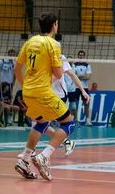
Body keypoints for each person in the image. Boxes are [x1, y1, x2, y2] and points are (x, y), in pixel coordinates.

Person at [13, 12, 76, 182]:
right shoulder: (53, 44)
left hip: (27, 92)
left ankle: (25, 160)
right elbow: (58, 73)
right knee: (69, 124)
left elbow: (17, 69)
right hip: (43, 92)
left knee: (40, 123)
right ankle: (44, 157)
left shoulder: (30, 41)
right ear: (54, 25)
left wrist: (25, 85)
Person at [17, 54, 89, 159]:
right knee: (38, 121)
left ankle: (33, 151)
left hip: (58, 95)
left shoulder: (60, 58)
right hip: (45, 94)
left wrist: (83, 91)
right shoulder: (40, 56)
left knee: (41, 122)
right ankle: (65, 142)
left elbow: (71, 74)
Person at [72, 50, 92, 125]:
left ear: (84, 56)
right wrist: (83, 75)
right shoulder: (74, 64)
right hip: (76, 87)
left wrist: (78, 76)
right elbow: (73, 76)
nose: (81, 56)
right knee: (74, 104)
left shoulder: (87, 65)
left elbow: (88, 77)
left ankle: (87, 120)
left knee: (86, 103)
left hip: (85, 87)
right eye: (80, 55)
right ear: (78, 56)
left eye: (82, 55)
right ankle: (75, 120)